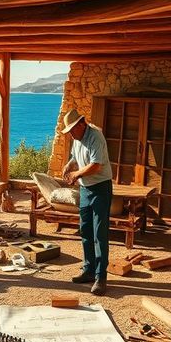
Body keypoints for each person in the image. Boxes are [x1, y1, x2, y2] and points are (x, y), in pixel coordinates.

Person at [60, 109, 113, 295]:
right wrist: (69, 165)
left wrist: (76, 174)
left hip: (100, 189)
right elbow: (76, 157)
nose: (72, 134)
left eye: (73, 130)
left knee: (100, 234)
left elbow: (96, 165)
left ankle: (101, 277)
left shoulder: (95, 137)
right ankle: (89, 270)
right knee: (86, 231)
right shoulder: (77, 138)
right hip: (85, 189)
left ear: (81, 124)